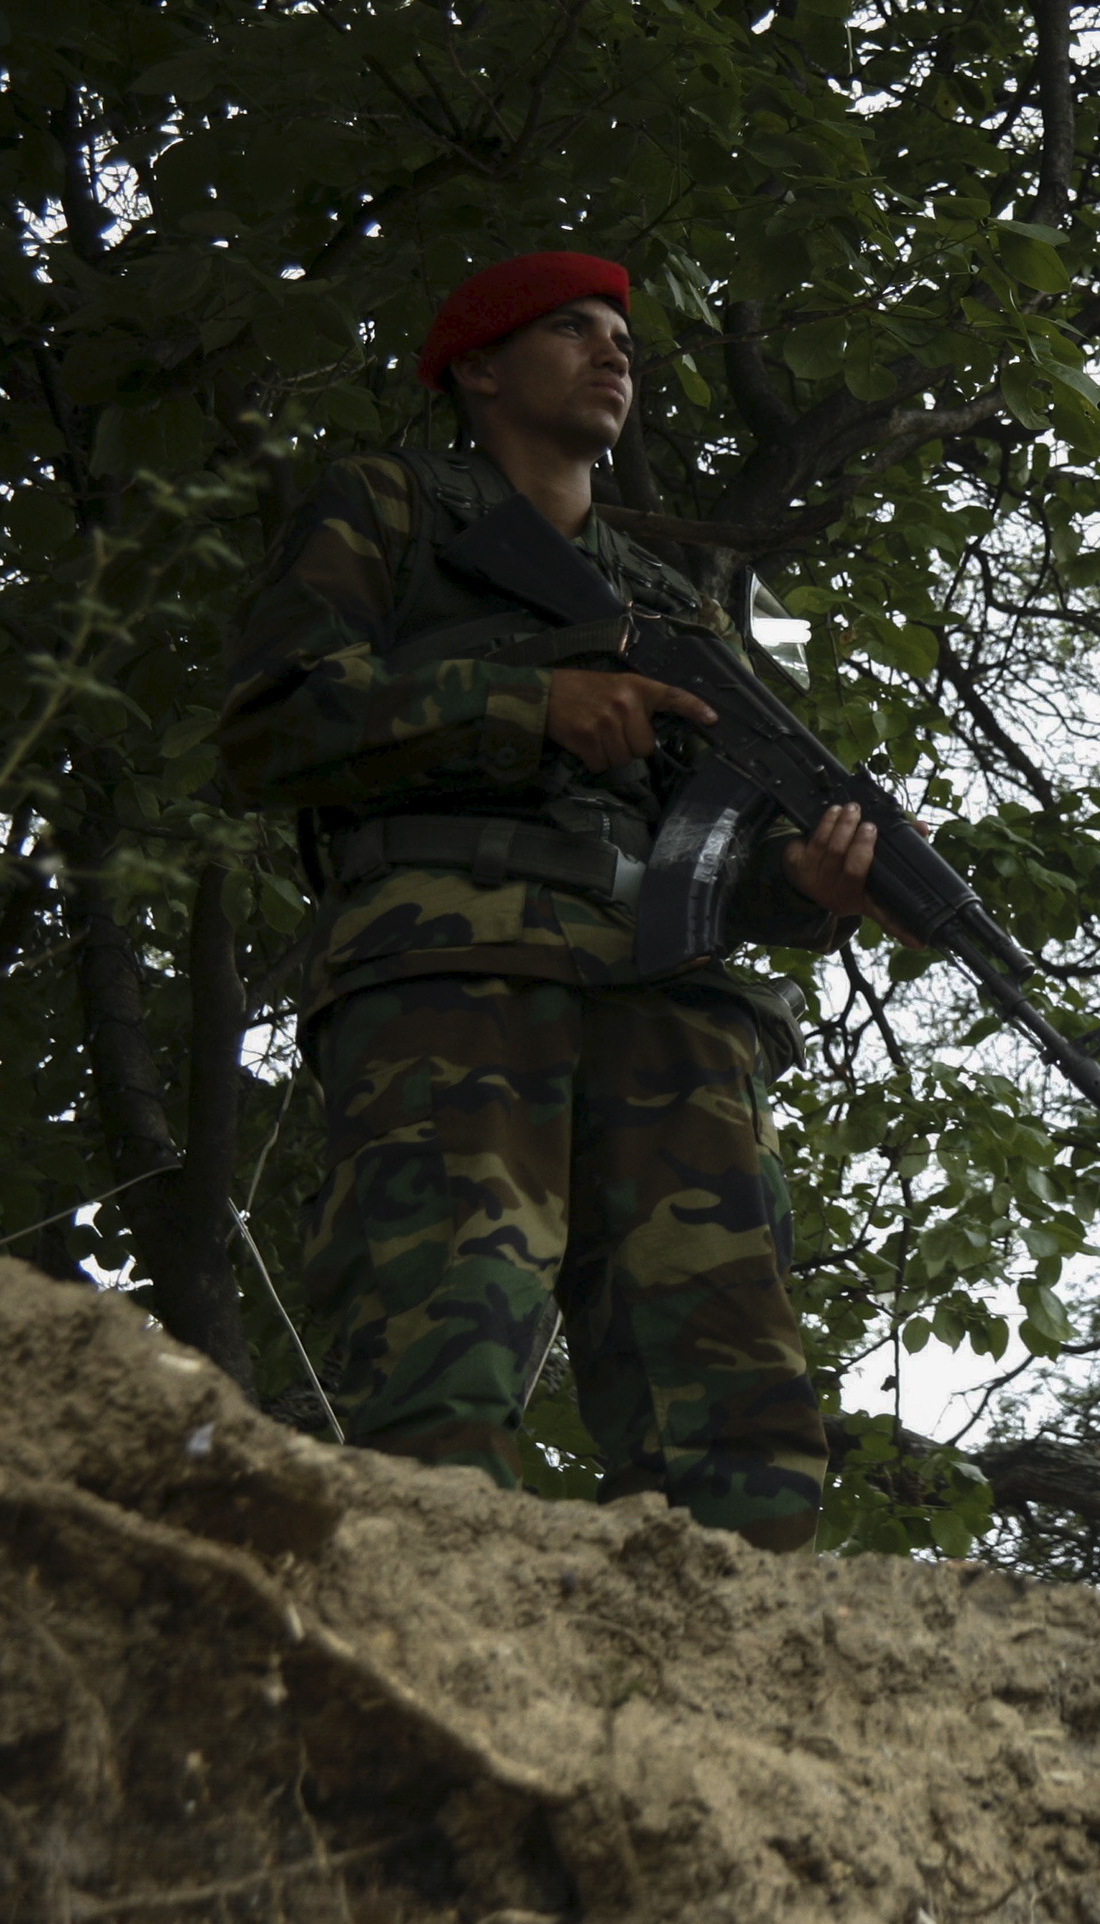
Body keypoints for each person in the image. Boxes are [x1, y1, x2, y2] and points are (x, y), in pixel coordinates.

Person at [217, 251, 882, 1553]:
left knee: (736, 1409)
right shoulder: (391, 508)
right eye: (570, 331)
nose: (613, 352)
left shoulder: (669, 601)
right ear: (477, 369)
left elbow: (719, 834)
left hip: (667, 999)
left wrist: (803, 888)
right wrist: (531, 705)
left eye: (621, 337)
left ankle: (742, 1704)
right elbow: (273, 728)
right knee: (436, 1357)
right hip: (453, 977)